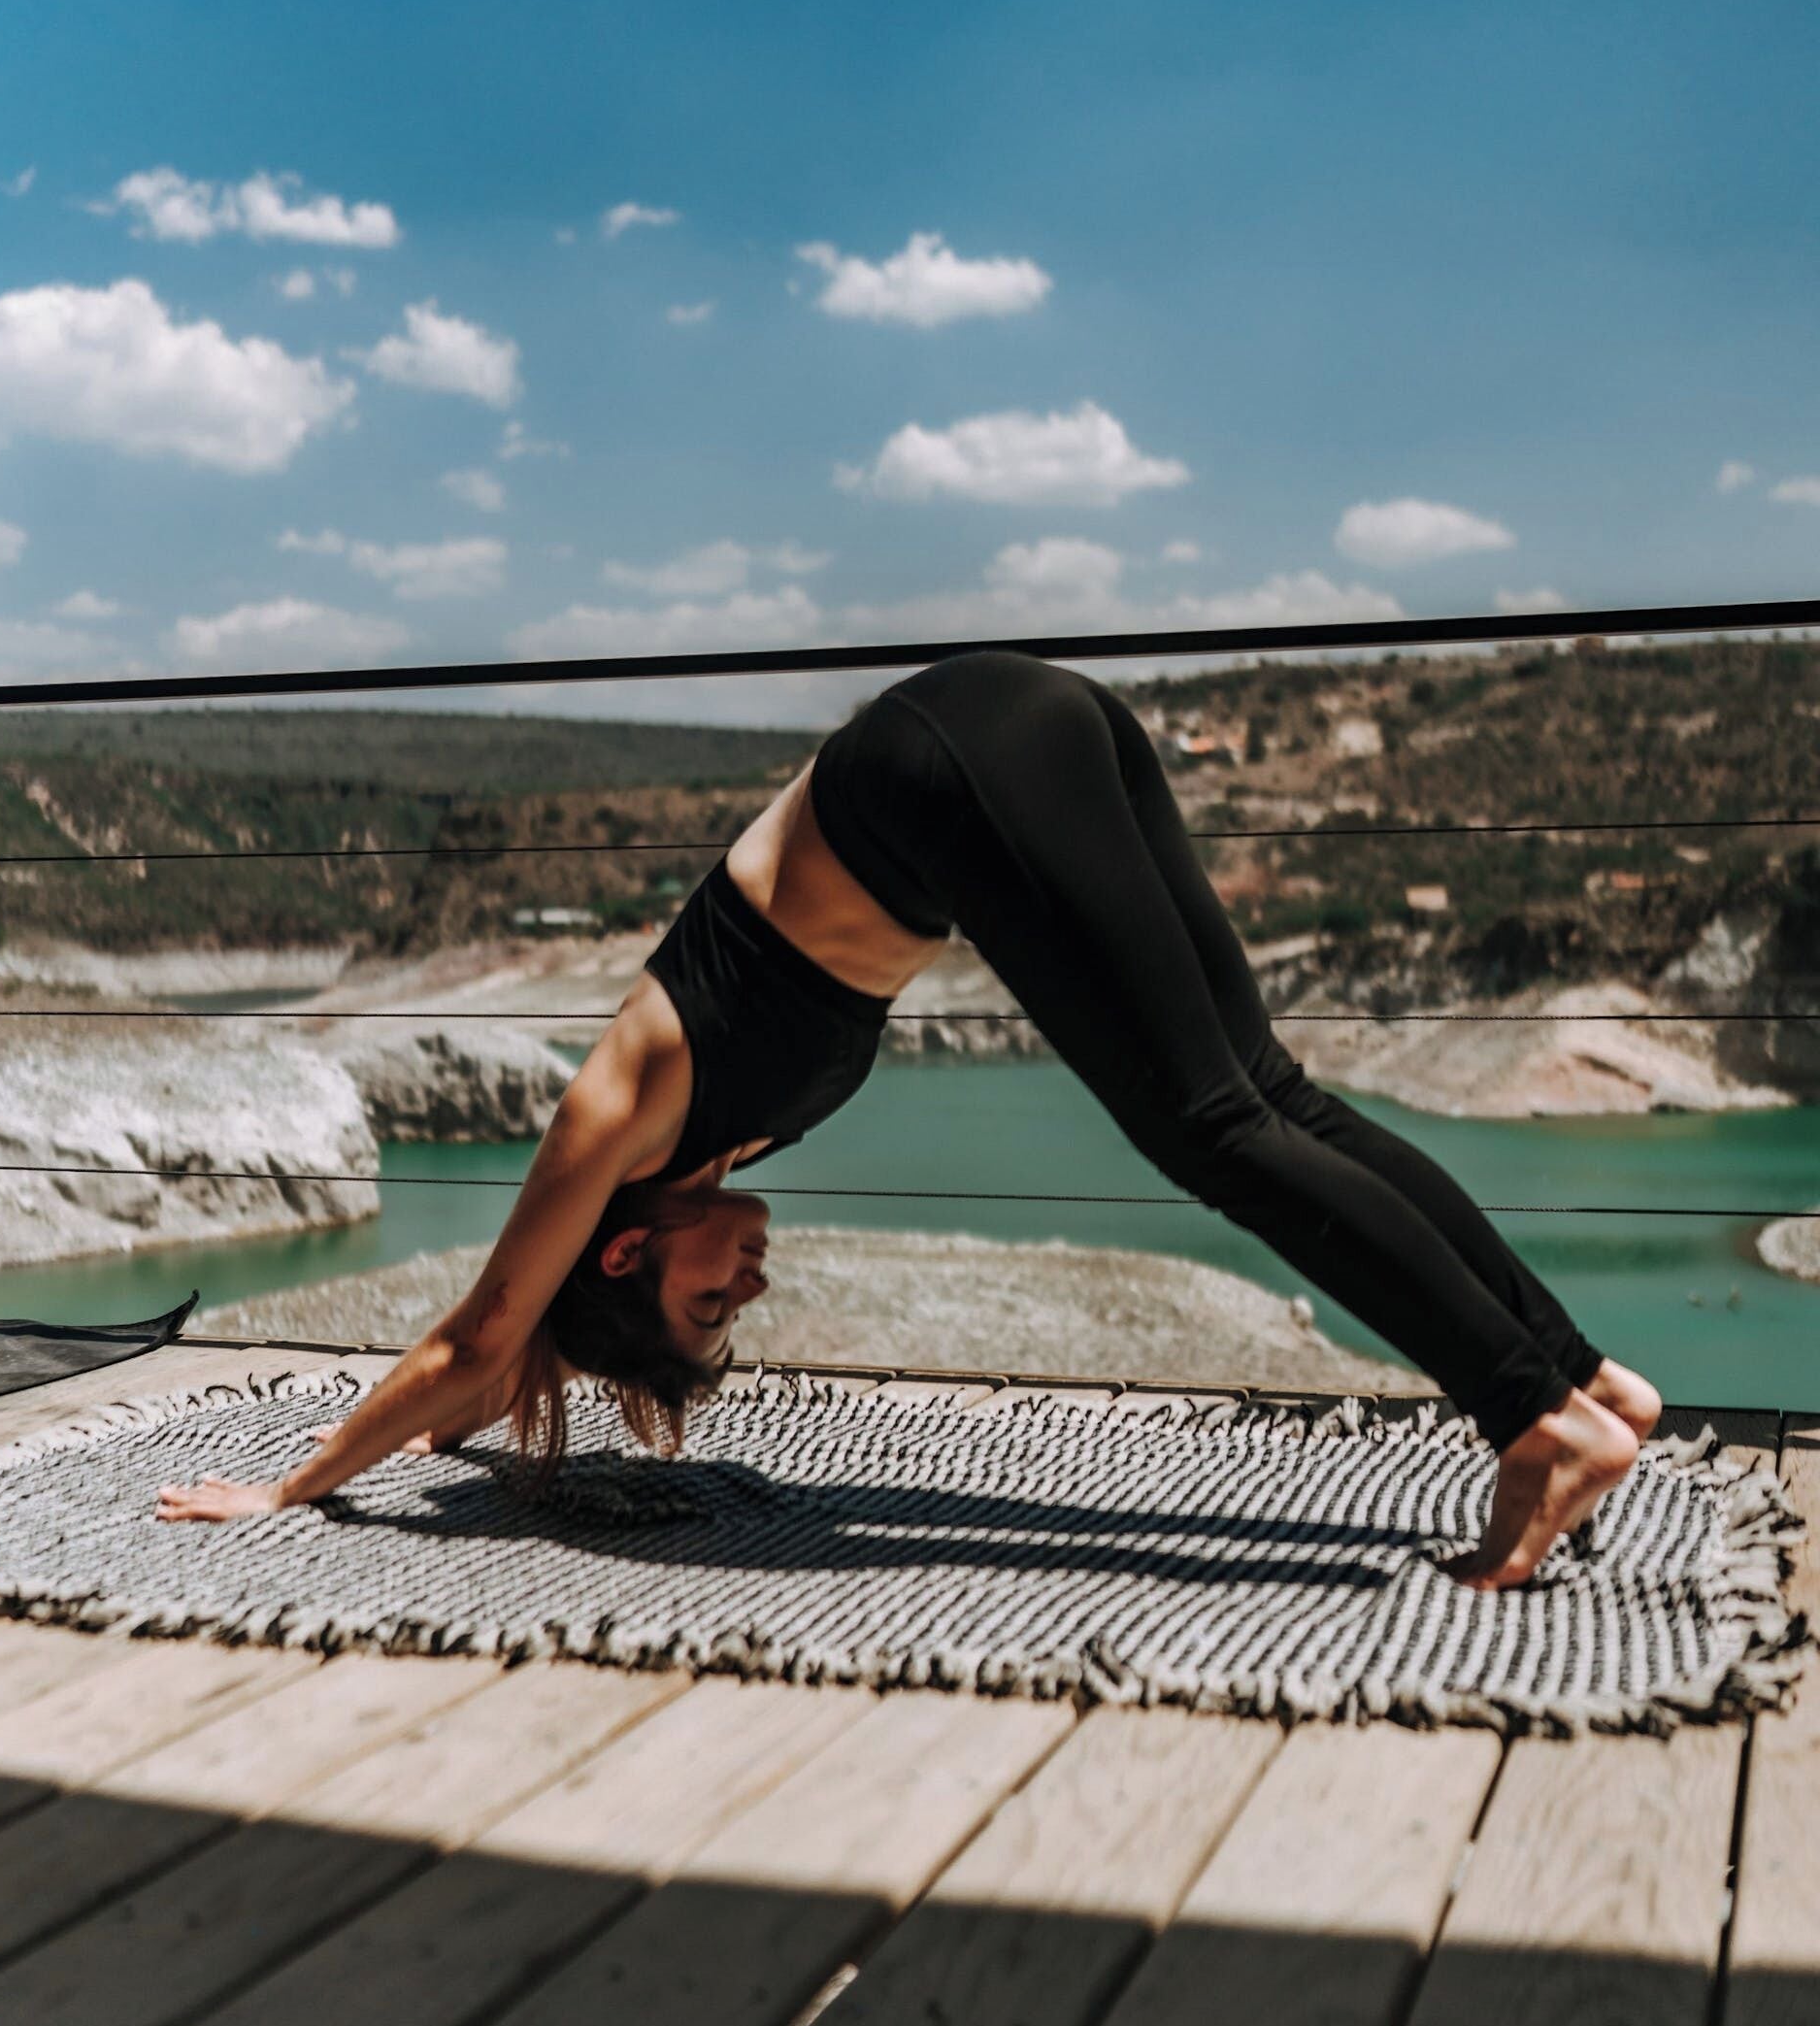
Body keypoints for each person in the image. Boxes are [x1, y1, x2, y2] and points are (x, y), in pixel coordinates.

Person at [158, 651, 1658, 1588]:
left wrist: (289, 1487)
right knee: (1265, 1100)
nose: (748, 1284)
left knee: (1209, 1129)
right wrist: (505, 1439)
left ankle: (1529, 1417)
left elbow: (483, 1337)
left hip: (953, 768)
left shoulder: (616, 1108)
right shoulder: (698, 1162)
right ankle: (1582, 1378)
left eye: (705, 1298)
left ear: (622, 1255)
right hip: (1025, 732)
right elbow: (499, 1395)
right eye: (732, 1309)